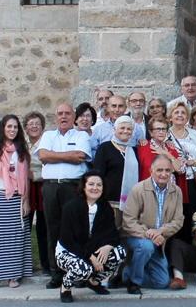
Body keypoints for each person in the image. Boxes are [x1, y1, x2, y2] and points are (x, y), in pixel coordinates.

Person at [37, 103, 91, 289]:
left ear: (74, 116)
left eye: (67, 113)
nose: (63, 116)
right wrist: (67, 155)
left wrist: (55, 155)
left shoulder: (81, 135)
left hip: (72, 187)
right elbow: (43, 156)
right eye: (60, 113)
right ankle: (56, 273)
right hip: (51, 187)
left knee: (75, 230)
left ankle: (77, 272)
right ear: (55, 116)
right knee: (53, 230)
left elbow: (80, 157)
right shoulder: (47, 135)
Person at [55, 171, 127, 302]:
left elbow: (113, 234)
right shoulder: (71, 207)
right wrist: (90, 257)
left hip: (92, 248)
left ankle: (93, 282)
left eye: (99, 185)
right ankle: (65, 287)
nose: (95, 188)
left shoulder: (105, 207)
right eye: (91, 184)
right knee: (84, 269)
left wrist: (108, 246)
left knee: (120, 252)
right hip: (69, 251)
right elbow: (68, 241)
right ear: (84, 186)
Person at [0, 114, 32, 289]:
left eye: (16, 127)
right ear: (2, 128)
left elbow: (25, 178)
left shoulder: (21, 151)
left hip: (16, 199)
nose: (12, 130)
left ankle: (12, 276)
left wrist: (25, 201)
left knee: (14, 240)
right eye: (9, 126)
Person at [121, 155, 185, 294]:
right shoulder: (138, 189)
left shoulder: (176, 191)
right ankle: (134, 283)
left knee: (162, 283)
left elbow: (178, 220)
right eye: (159, 170)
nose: (163, 174)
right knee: (146, 246)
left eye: (167, 170)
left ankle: (126, 274)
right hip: (137, 237)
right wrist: (148, 234)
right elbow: (128, 220)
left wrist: (161, 231)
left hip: (159, 240)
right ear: (151, 171)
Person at [167, 102, 196, 231]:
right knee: (173, 215)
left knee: (192, 215)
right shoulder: (165, 135)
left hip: (192, 181)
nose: (180, 115)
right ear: (170, 116)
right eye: (176, 112)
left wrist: (193, 162)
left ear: (187, 117)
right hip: (173, 181)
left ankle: (191, 247)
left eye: (183, 113)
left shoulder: (195, 135)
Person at [92, 116, 139, 227]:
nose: (125, 131)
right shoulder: (105, 148)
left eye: (129, 129)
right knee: (110, 233)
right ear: (115, 129)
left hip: (131, 203)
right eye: (122, 128)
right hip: (110, 201)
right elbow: (98, 174)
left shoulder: (134, 150)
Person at [23, 111, 50, 274]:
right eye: (30, 124)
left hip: (42, 186)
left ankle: (46, 264)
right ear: (26, 128)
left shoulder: (47, 142)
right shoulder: (21, 143)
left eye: (37, 124)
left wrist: (36, 175)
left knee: (44, 227)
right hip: (25, 188)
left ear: (42, 127)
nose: (34, 127)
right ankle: (25, 264)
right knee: (24, 226)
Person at [136, 116, 180, 182]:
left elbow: (180, 170)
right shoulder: (142, 149)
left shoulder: (171, 148)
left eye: (163, 129)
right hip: (149, 189)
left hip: (170, 189)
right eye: (158, 129)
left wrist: (166, 153)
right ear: (151, 132)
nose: (161, 132)